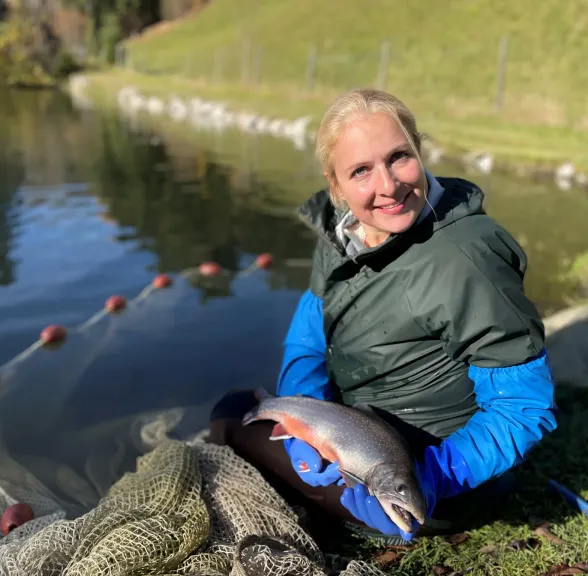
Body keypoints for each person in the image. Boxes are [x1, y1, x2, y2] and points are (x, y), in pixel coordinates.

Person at [208, 88, 557, 543]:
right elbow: (309, 336)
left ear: (419, 149)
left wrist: (428, 479)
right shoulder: (342, 227)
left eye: (399, 157)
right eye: (360, 171)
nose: (388, 186)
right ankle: (306, 487)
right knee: (256, 406)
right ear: (335, 185)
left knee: (229, 414)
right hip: (360, 428)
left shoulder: (467, 260)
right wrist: (304, 423)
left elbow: (523, 407)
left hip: (424, 484)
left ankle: (324, 518)